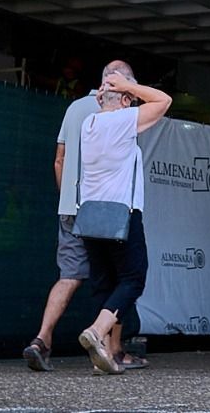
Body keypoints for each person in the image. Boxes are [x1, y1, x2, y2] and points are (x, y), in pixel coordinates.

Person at [23, 60, 147, 372]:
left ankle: (42, 338)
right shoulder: (122, 115)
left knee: (70, 277)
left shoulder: (78, 110)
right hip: (109, 208)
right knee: (124, 275)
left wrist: (66, 195)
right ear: (123, 88)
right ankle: (112, 347)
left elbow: (59, 158)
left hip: (74, 208)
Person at [76, 69, 171, 374]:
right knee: (133, 277)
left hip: (90, 214)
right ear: (127, 100)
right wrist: (131, 86)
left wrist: (116, 89)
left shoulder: (88, 124)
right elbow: (164, 100)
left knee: (104, 282)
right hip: (121, 213)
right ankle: (96, 330)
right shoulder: (122, 120)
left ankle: (101, 350)